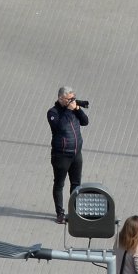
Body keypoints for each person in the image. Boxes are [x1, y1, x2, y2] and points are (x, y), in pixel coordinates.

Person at [46, 86, 88, 222]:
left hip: (76, 154)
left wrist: (77, 109)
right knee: (59, 184)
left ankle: (75, 211)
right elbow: (60, 127)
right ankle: (60, 213)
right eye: (69, 99)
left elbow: (85, 121)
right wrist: (70, 111)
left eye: (73, 99)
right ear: (61, 98)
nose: (72, 102)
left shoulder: (73, 109)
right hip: (61, 155)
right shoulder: (53, 113)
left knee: (76, 184)